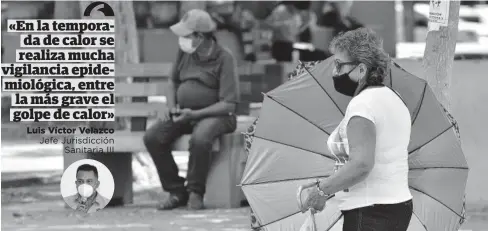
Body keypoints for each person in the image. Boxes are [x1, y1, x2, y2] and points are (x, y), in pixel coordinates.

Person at [299, 28, 413, 230]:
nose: (334, 72)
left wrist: (322, 191)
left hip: (370, 212)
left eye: (339, 65)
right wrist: (332, 183)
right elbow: (378, 159)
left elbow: (361, 164)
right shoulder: (393, 98)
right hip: (396, 206)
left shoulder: (363, 104)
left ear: (361, 70)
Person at [143, 9, 240, 210]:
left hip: (217, 115)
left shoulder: (224, 58)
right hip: (185, 113)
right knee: (153, 136)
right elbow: (172, 81)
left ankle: (196, 191)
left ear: (201, 36)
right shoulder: (185, 53)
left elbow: (228, 104)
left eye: (186, 36)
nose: (181, 40)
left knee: (201, 137)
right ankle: (177, 191)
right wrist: (172, 108)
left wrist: (195, 114)